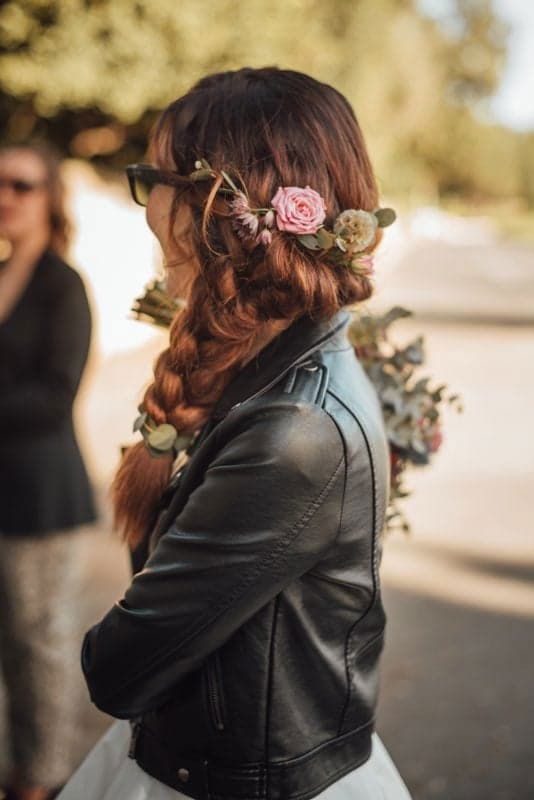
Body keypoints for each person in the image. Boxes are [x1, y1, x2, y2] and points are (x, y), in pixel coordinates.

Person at [58, 67, 412, 800]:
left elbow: (119, 667)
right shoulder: (266, 369)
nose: (146, 205)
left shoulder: (295, 430)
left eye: (150, 178)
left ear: (212, 206)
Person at [0, 142, 97, 800]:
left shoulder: (64, 285)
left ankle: (40, 781)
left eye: (22, 184)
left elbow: (55, 394)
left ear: (51, 196)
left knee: (41, 648)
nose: (5, 195)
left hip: (43, 497)